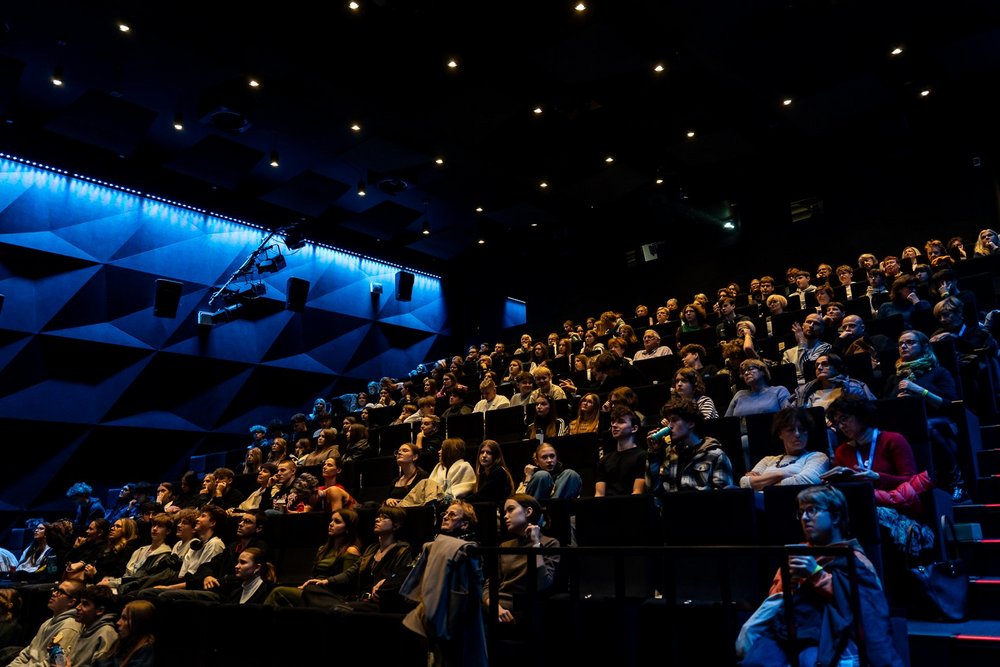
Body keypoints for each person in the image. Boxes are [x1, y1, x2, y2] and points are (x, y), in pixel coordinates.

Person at [739, 485, 902, 667]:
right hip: (790, 629)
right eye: (801, 512)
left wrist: (816, 574)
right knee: (756, 661)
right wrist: (791, 581)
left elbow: (866, 609)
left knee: (809, 660)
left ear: (836, 516)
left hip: (831, 632)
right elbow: (775, 599)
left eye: (812, 510)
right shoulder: (799, 553)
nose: (804, 518)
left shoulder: (854, 558)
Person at [883, 329, 968, 502]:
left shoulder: (939, 372)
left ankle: (957, 482)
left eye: (910, 342)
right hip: (906, 422)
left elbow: (948, 404)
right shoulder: (894, 378)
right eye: (900, 344)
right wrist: (898, 400)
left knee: (926, 427)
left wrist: (920, 391)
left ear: (923, 347)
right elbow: (885, 407)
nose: (904, 346)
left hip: (939, 420)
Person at [300, 506, 413, 613]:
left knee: (344, 607)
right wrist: (326, 581)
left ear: (396, 525)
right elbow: (352, 572)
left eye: (384, 517)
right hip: (358, 599)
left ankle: (342, 608)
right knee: (312, 589)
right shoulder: (372, 549)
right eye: (378, 516)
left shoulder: (402, 550)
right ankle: (341, 607)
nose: (378, 519)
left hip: (378, 602)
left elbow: (400, 576)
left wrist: (386, 581)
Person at [264, 508, 363, 607]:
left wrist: (322, 584)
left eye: (337, 522)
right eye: (331, 520)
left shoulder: (351, 550)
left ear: (347, 528)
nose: (331, 524)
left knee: (278, 592)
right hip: (314, 589)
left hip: (330, 594)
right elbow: (314, 575)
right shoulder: (324, 549)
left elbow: (347, 581)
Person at [485, 494, 560, 624]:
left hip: (520, 609)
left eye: (510, 509)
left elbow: (543, 584)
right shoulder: (505, 546)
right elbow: (489, 585)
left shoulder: (549, 543)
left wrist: (535, 544)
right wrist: (494, 606)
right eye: (504, 512)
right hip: (495, 606)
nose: (505, 516)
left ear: (528, 511)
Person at [821, 396, 917, 491]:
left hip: (893, 501)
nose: (841, 426)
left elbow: (912, 482)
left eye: (844, 419)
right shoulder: (842, 451)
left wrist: (878, 477)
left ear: (861, 415)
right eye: (837, 423)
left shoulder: (893, 440)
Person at [739, 407, 830, 491]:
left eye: (802, 429)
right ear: (780, 434)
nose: (797, 434)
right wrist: (782, 474)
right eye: (791, 430)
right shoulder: (767, 460)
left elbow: (804, 482)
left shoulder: (818, 457)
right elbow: (744, 483)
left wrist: (760, 483)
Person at [656, 397, 733, 493]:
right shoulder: (671, 455)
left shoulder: (715, 455)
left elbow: (724, 498)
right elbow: (655, 490)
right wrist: (654, 453)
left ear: (691, 423)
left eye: (674, 420)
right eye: (669, 421)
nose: (670, 426)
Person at [5, 579, 84, 667]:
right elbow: (26, 653)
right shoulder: (48, 622)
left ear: (71, 602)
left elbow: (52, 664)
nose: (54, 594)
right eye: (56, 590)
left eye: (60, 592)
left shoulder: (69, 627)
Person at [792, 352, 876, 412]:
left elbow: (862, 413)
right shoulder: (807, 392)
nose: (819, 368)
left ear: (836, 367)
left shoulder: (852, 388)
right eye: (817, 365)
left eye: (825, 364)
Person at [595, 406, 647, 496]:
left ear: (634, 428)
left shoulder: (642, 456)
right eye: (613, 421)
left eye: (621, 422)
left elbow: (637, 493)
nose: (614, 425)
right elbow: (599, 494)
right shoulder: (604, 460)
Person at [93, 600, 156, 667]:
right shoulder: (123, 642)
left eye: (125, 618)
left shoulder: (145, 651)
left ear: (138, 623)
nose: (118, 622)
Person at [70, 584, 119, 667]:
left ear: (100, 610)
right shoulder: (85, 628)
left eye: (85, 604)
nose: (78, 607)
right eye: (80, 603)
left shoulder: (106, 633)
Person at [726, 359, 792, 418]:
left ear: (762, 371)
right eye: (743, 372)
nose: (746, 373)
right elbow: (726, 422)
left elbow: (789, 419)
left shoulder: (779, 391)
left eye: (750, 368)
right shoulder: (739, 395)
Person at [516, 443, 582, 500]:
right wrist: (528, 477)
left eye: (552, 456)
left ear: (556, 458)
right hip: (535, 510)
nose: (549, 460)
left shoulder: (566, 477)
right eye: (544, 457)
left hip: (559, 511)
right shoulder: (533, 475)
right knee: (542, 475)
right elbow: (518, 501)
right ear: (537, 461)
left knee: (571, 474)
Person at [781, 313, 832, 382]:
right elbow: (786, 378)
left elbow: (808, 371)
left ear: (822, 330)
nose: (811, 326)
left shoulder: (825, 347)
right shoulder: (788, 353)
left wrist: (801, 343)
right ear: (803, 325)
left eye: (816, 323)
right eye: (809, 322)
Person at [467, 440, 515, 507]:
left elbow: (482, 495)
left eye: (489, 453)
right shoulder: (483, 474)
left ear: (496, 456)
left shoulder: (499, 471)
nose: (484, 455)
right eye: (482, 452)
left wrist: (462, 501)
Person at [383, 443, 430, 507]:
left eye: (405, 451)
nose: (399, 453)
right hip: (394, 513)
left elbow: (419, 500)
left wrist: (398, 501)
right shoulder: (395, 480)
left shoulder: (422, 476)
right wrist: (388, 500)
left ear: (415, 457)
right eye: (398, 452)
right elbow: (388, 498)